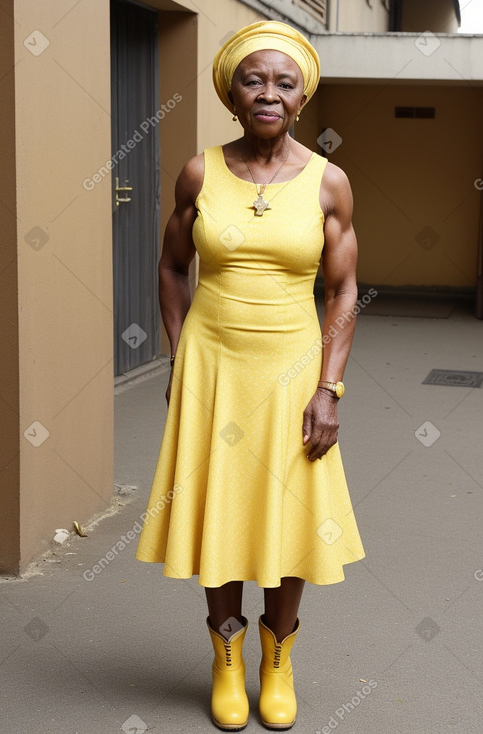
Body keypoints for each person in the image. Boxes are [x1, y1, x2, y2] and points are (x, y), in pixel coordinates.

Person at [136, 20, 365, 731]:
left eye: (283, 83)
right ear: (231, 94)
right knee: (219, 507)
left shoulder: (329, 182)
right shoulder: (199, 172)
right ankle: (226, 657)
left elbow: (343, 291)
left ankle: (277, 658)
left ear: (301, 100)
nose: (268, 92)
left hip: (293, 368)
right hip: (215, 368)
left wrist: (329, 388)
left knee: (289, 511)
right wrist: (181, 356)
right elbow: (174, 268)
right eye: (252, 80)